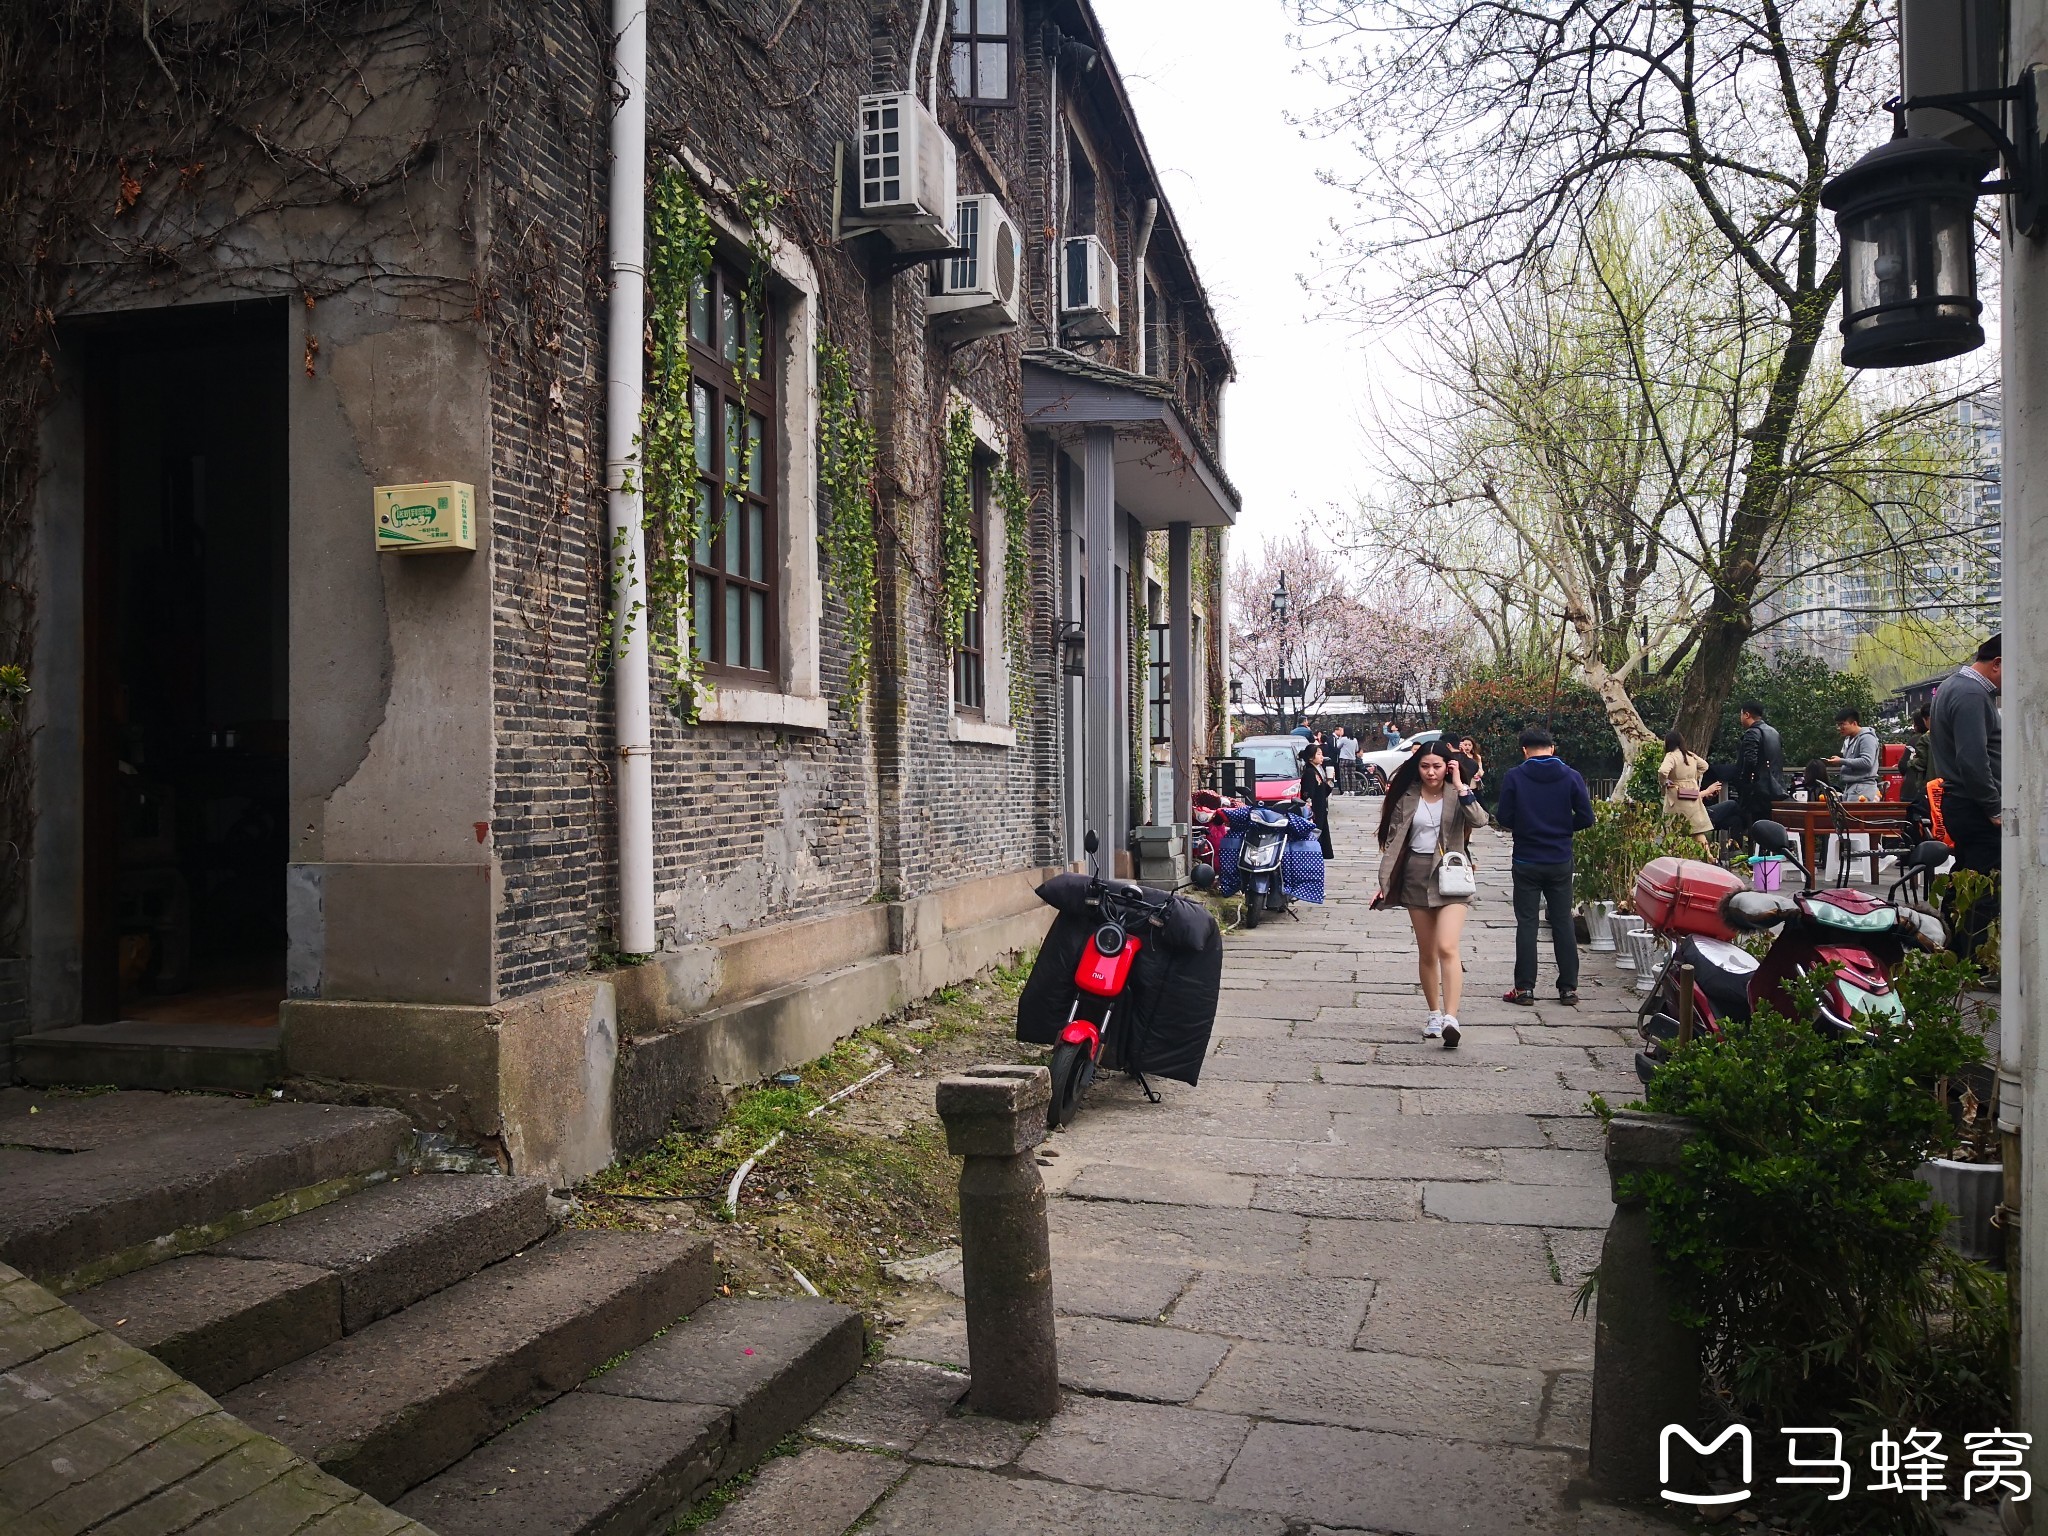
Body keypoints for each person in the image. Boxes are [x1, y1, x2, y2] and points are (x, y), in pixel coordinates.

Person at [1373, 743, 1487, 1047]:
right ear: (1417, 767)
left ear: (1447, 766)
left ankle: (1452, 1017)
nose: (1431, 772)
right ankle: (1434, 1014)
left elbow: (1480, 820)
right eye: (1425, 766)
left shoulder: (1456, 793)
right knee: (1427, 951)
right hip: (1415, 875)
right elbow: (1396, 842)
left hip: (1451, 876)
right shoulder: (1407, 796)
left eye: (1437, 766)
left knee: (1447, 946)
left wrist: (1462, 786)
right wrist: (1387, 881)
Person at [1494, 725, 1596, 1007]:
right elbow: (1587, 817)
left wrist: (1526, 827)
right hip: (1560, 858)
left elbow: (1503, 816)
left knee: (1527, 922)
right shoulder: (1571, 776)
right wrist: (1563, 828)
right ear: (1552, 748)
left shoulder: (1515, 776)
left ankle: (1524, 988)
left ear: (1525, 750)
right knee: (1562, 920)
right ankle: (1568, 989)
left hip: (1526, 858)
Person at [1930, 634, 2003, 961]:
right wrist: (1994, 806)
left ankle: (1950, 949)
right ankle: (1974, 962)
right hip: (1974, 804)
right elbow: (1973, 760)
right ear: (1997, 663)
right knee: (1984, 888)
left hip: (1959, 800)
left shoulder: (1952, 686)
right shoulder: (1972, 694)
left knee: (1966, 877)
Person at [1708, 701, 1785, 842]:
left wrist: (1745, 781)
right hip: (1775, 788)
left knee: (1754, 826)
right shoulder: (1774, 733)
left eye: (1741, 714)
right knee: (1766, 825)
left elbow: (1750, 760)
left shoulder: (1753, 733)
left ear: (1747, 714)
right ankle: (1762, 854)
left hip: (1757, 791)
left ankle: (1751, 856)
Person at [1824, 706, 1882, 881]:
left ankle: (1879, 856)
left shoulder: (1867, 738)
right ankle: (1858, 862)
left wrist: (1842, 761)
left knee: (1860, 826)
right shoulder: (1850, 739)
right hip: (1851, 786)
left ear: (1854, 723)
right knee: (1849, 827)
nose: (1840, 728)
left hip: (1863, 787)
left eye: (1843, 724)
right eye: (1838, 725)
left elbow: (1866, 761)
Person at [1657, 730, 1713, 845]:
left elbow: (1663, 771)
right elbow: (1705, 766)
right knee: (1697, 830)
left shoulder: (1671, 756)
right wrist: (1693, 778)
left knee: (1671, 828)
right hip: (1692, 795)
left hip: (1677, 795)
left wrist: (1665, 782)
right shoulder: (1690, 755)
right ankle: (1710, 857)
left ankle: (1672, 856)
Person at [1300, 741, 1337, 861]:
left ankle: (1320, 852)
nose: (1321, 757)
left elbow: (1324, 790)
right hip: (1315, 807)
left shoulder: (1318, 770)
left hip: (1321, 806)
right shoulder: (1310, 772)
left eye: (1321, 754)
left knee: (1322, 829)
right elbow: (1307, 792)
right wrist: (1309, 806)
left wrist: (1330, 781)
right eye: (1319, 754)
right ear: (1311, 757)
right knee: (1317, 830)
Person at [1334, 726, 1359, 793]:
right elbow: (1357, 749)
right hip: (1353, 759)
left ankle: (1346, 790)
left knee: (1344, 775)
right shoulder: (1355, 740)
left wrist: (1340, 737)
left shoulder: (1343, 739)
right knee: (1352, 775)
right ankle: (1352, 790)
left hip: (1344, 759)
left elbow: (1338, 746)